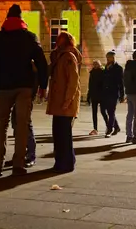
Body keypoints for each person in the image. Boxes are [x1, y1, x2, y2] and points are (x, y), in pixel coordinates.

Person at [0, 4, 48, 177]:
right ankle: (18, 165)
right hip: (24, 86)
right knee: (22, 126)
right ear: (21, 19)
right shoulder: (30, 37)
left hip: (2, 87)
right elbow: (42, 63)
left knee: (1, 126)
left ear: (7, 18)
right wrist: (43, 85)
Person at [47, 32, 81, 173]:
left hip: (64, 103)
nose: (56, 42)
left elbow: (73, 81)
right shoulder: (60, 57)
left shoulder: (68, 57)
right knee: (58, 133)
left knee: (64, 135)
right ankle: (62, 161)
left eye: (59, 40)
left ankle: (66, 163)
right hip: (59, 102)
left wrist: (67, 101)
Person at [102, 51, 124, 137]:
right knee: (107, 111)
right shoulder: (106, 67)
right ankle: (117, 127)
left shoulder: (118, 68)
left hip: (113, 92)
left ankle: (109, 129)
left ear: (114, 58)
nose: (108, 59)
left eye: (110, 57)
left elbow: (121, 82)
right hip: (105, 93)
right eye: (107, 57)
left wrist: (122, 95)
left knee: (111, 111)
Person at [87, 60, 108, 135]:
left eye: (96, 64)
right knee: (94, 113)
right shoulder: (92, 73)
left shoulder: (103, 72)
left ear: (99, 64)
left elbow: (105, 85)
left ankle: (108, 127)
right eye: (94, 64)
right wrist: (88, 96)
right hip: (94, 95)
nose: (95, 65)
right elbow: (90, 85)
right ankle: (95, 129)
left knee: (103, 112)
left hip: (102, 95)